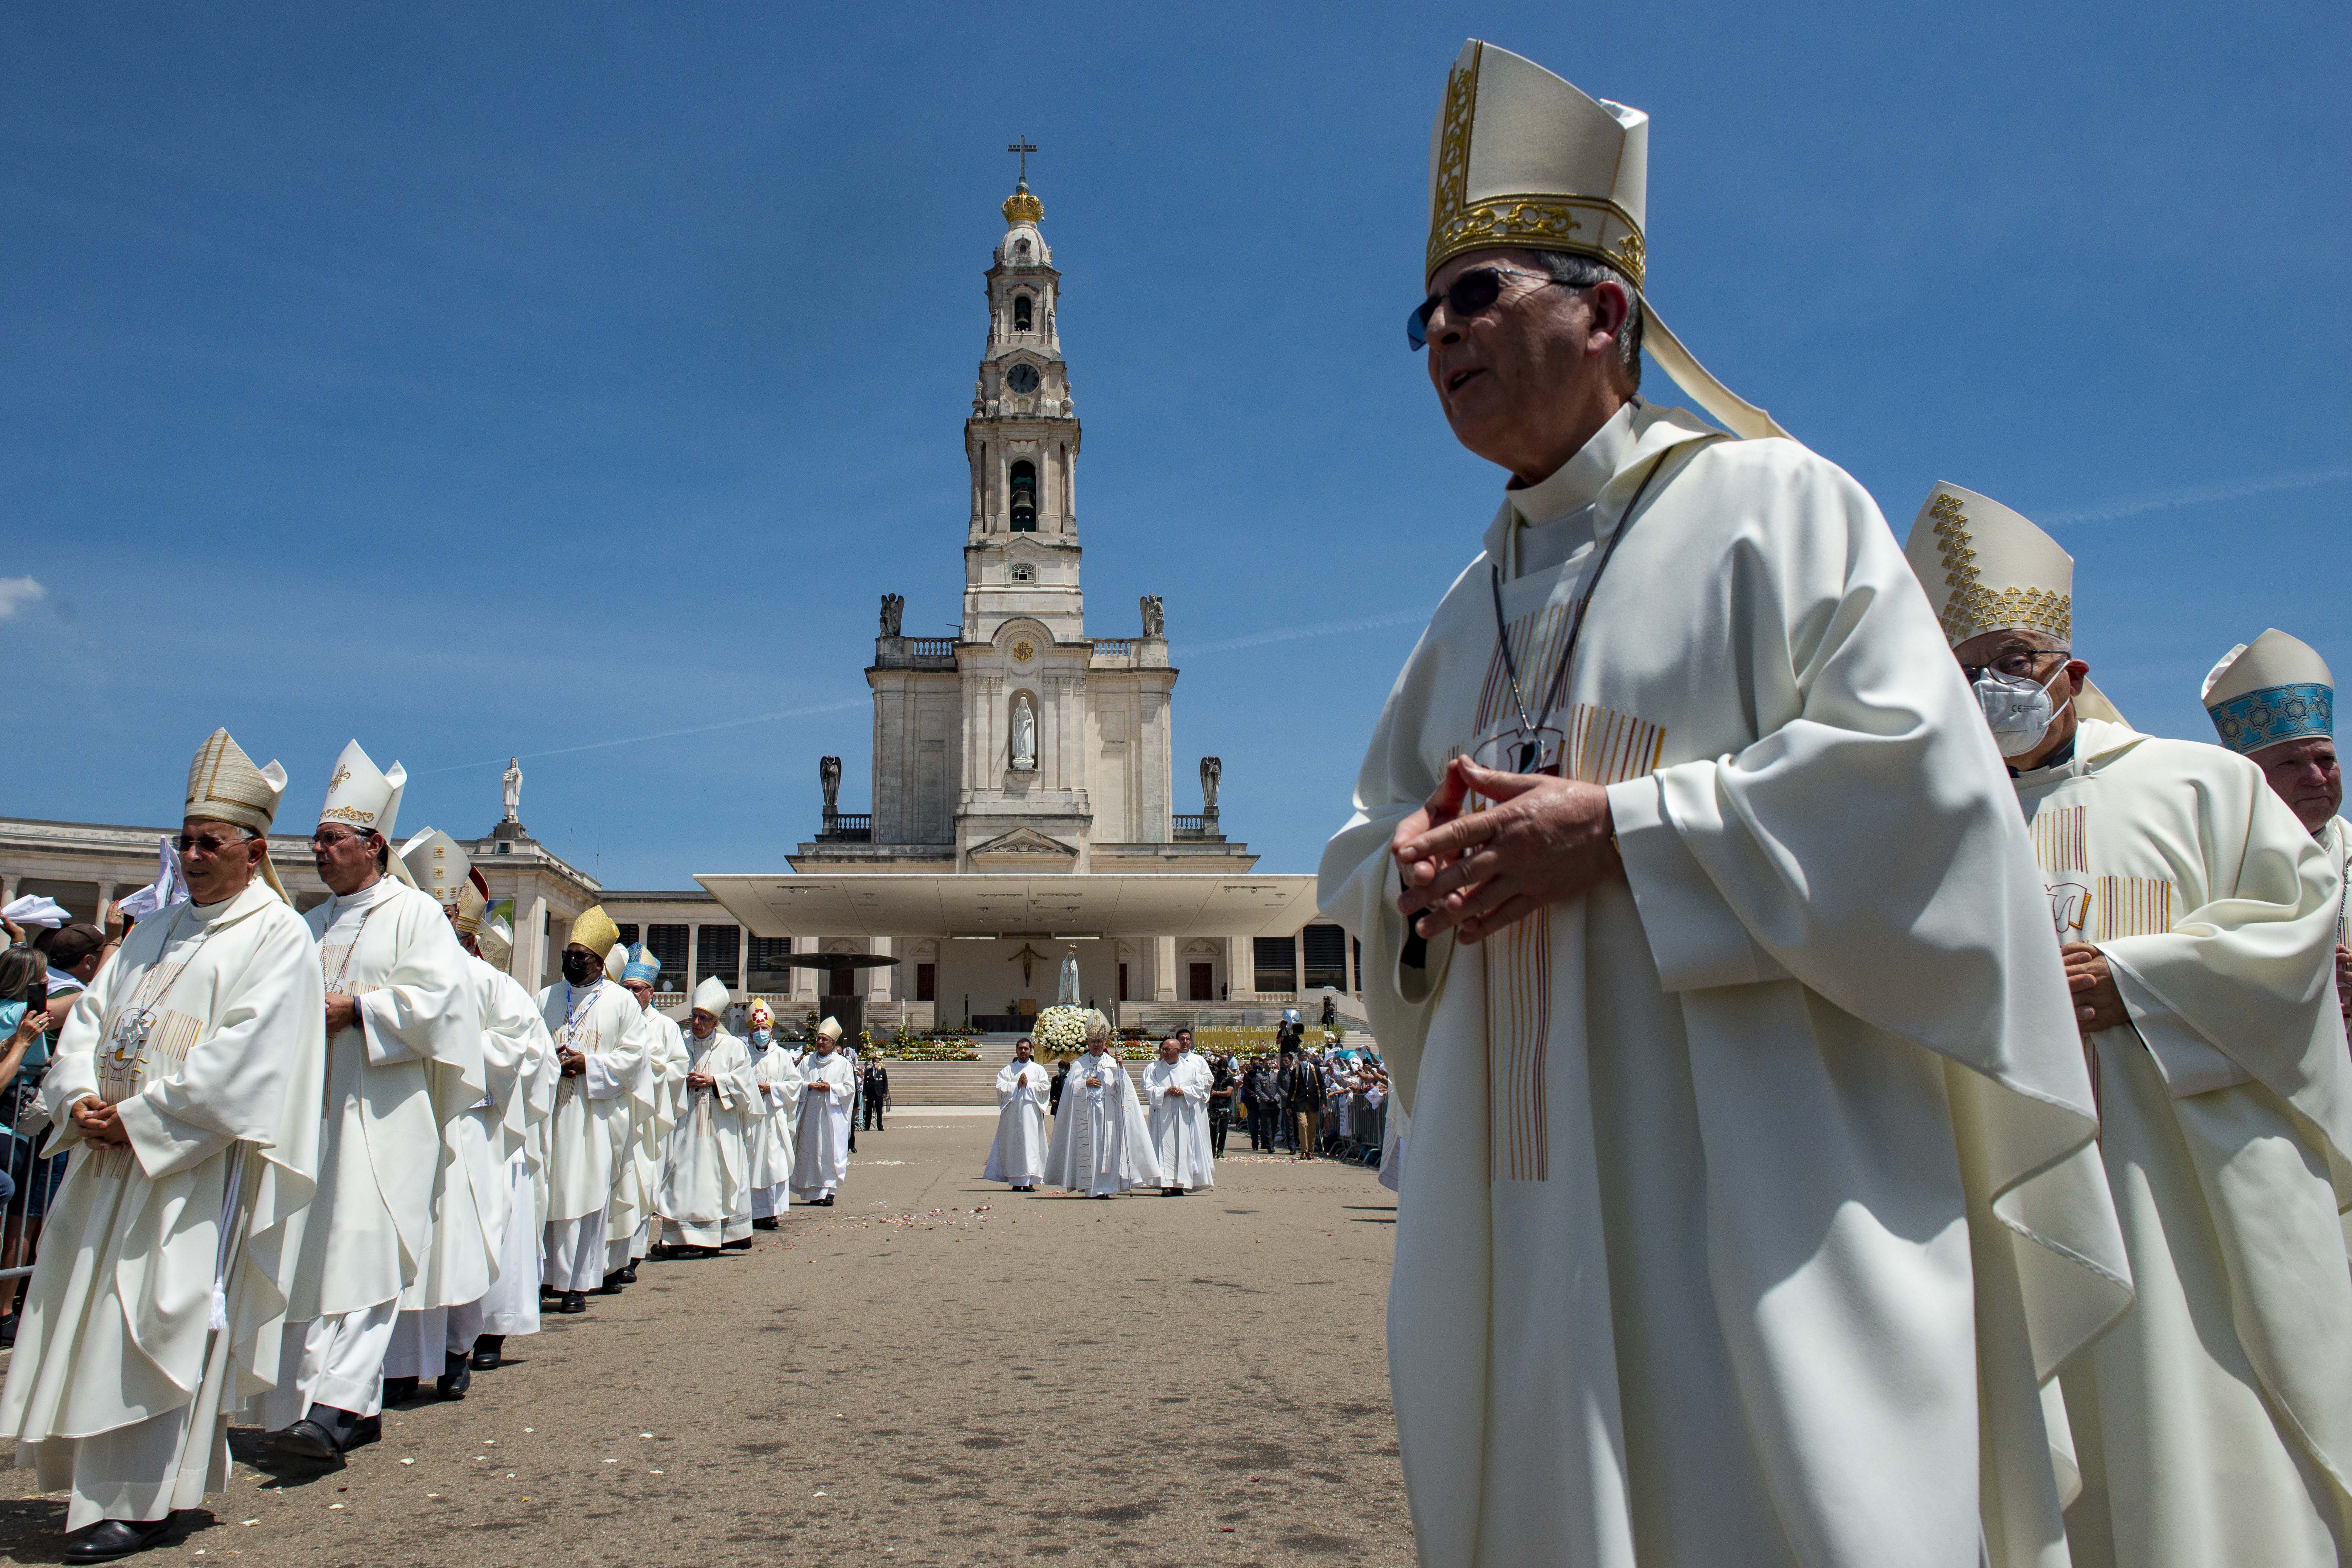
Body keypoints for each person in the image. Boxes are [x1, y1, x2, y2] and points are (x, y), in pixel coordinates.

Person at [1318, 44, 2131, 1566]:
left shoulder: (1775, 506)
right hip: (1517, 1183)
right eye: (1423, 313)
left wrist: (1619, 830)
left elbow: (1922, 786)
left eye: (1477, 294)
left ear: (1605, 313)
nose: (1439, 336)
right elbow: (1364, 840)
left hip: (1749, 1191)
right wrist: (1403, 874)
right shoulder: (1457, 610)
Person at [1905, 485, 2352, 1565]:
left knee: (2189, 1458)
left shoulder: (2199, 787)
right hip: (2000, 1205)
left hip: (2179, 1210)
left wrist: (2135, 981)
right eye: (1962, 671)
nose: (1989, 688)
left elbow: (2296, 938)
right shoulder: (1929, 826)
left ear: (2069, 662)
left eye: (2010, 659)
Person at [0, 730, 327, 1561]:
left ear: (254, 851)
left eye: (208, 842)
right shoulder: (151, 928)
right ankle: (116, 1489)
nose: (190, 854)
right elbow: (93, 1018)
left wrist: (144, 1116)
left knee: (158, 1314)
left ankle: (142, 1499)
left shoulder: (278, 935)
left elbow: (250, 1054)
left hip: (188, 1161)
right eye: (183, 840)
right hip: (108, 1157)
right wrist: (78, 1094)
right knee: (93, 1308)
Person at [264, 742, 483, 1462]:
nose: (320, 852)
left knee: (366, 1249)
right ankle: (322, 1402)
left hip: (383, 1114)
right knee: (308, 1256)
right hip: (311, 1115)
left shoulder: (415, 915)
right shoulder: (310, 922)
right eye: (317, 840)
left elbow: (445, 1005)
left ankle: (338, 1402)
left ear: (373, 845)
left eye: (332, 839)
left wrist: (358, 1008)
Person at [397, 830, 553, 1388]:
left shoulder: (495, 986)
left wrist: (454, 1044)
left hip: (470, 1130)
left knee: (462, 1239)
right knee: (406, 1241)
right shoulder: (402, 980)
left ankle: (457, 1349)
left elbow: (524, 1054)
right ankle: (397, 1362)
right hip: (406, 1126)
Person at [2201, 630, 2352, 1018]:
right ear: (2250, 776)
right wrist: (2300, 986)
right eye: (2290, 763)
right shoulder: (2212, 863)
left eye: (2326, 760)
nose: (2318, 777)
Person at [534, 906, 650, 1317]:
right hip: (551, 1110)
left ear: (600, 961)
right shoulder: (546, 997)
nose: (573, 961)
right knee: (547, 1191)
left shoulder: (621, 1002)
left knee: (585, 1193)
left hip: (595, 1115)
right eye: (570, 953)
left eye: (582, 955)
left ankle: (578, 1283)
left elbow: (636, 1058)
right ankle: (545, 1276)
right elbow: (527, 1047)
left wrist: (590, 1064)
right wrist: (552, 1062)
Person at [656, 978, 756, 1258]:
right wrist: (682, 1081)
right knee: (680, 1175)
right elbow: (666, 1074)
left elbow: (747, 1086)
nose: (697, 1023)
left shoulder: (733, 1047)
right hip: (686, 1125)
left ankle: (717, 1236)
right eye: (694, 1017)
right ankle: (678, 1238)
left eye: (704, 1018)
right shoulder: (680, 1044)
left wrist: (716, 1081)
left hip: (719, 1127)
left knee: (716, 1177)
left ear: (716, 1022)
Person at [609, 945, 685, 1288]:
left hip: (649, 1120)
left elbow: (677, 1070)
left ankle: (632, 1254)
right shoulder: (612, 1018)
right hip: (614, 1114)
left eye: (636, 989)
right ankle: (606, 1258)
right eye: (624, 988)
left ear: (651, 992)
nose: (630, 995)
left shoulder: (665, 1026)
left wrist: (647, 1069)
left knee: (640, 1182)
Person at [1041, 1012, 1158, 1198]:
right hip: (1086, 1114)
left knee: (1108, 1149)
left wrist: (1121, 1068)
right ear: (1088, 1043)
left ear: (1106, 1044)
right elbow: (1070, 1089)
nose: (1096, 1045)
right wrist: (1084, 1084)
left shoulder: (1113, 1063)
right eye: (1093, 1041)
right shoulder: (1079, 1065)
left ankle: (1106, 1188)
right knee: (1090, 1149)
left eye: (1100, 1042)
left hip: (1109, 1114)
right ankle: (1090, 1187)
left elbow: (1124, 1090)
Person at [741, 999, 800, 1228]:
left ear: (772, 1032)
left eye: (763, 1029)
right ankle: (751, 1212)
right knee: (751, 1163)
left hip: (773, 1120)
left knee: (772, 1164)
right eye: (755, 1029)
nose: (760, 1033)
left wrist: (772, 1089)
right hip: (750, 1120)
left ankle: (771, 1213)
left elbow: (794, 1085)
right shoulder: (743, 1056)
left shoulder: (782, 1056)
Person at [790, 1018, 855, 1206]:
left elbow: (850, 1089)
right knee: (810, 1151)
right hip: (810, 1113)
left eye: (825, 1040)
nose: (820, 1042)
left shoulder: (842, 1064)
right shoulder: (807, 1061)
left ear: (834, 1044)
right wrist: (808, 1086)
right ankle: (813, 1192)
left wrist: (830, 1088)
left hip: (831, 1116)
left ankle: (829, 1191)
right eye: (819, 1039)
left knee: (829, 1152)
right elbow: (795, 1083)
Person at [1141, 1037, 1214, 1196]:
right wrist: (1165, 1092)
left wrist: (1184, 1092)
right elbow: (1147, 1087)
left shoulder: (1190, 1069)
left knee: (1184, 1147)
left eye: (1168, 1050)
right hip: (1163, 1114)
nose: (1165, 1053)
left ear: (1178, 1051)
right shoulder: (1153, 1068)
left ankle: (1181, 1183)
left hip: (1184, 1114)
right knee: (1164, 1146)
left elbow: (1200, 1087)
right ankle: (1166, 1184)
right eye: (1163, 1050)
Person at [984, 1037, 1051, 1191]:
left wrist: (1029, 1085)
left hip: (1031, 1116)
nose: (1023, 1051)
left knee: (1031, 1146)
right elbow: (1000, 1087)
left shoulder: (1038, 1069)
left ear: (1031, 1051)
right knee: (1014, 1146)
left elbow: (1045, 1088)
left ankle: (1029, 1181)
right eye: (1021, 1048)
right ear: (1016, 1050)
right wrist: (1016, 1085)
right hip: (1013, 1117)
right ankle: (1015, 1180)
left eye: (1026, 1049)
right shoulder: (1008, 1070)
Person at [1276, 1045, 1323, 1162]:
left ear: (1309, 1059)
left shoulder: (1316, 1069)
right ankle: (1304, 1150)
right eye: (1301, 1060)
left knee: (1312, 1129)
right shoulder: (1295, 1072)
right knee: (1303, 1125)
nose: (1304, 1062)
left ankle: (1311, 1152)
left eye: (1305, 1059)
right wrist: (1288, 1106)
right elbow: (1292, 1089)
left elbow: (1322, 1086)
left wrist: (1324, 1101)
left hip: (1313, 1102)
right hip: (1300, 1103)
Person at [1205, 1047, 1235, 1157]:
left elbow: (1228, 1093)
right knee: (1213, 1130)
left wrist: (1217, 1093)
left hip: (1225, 1107)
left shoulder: (1229, 1079)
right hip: (1214, 1106)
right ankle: (1213, 1149)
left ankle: (1221, 1150)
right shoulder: (1213, 1078)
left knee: (1223, 1130)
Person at [863, 1058, 888, 1132]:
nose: (877, 1063)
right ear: (873, 1063)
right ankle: (867, 1126)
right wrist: (865, 1093)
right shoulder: (868, 1071)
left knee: (879, 1110)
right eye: (876, 1062)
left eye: (878, 1062)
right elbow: (865, 1083)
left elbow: (885, 1082)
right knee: (869, 1110)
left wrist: (885, 1093)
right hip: (870, 1093)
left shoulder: (882, 1071)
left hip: (879, 1093)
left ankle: (880, 1126)